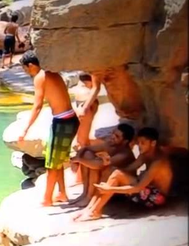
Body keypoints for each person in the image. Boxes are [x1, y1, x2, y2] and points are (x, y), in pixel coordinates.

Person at [72, 127, 173, 222]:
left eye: (143, 143)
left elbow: (138, 187)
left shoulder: (158, 162)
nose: (139, 146)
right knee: (113, 171)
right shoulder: (145, 155)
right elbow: (128, 169)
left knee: (116, 174)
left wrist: (111, 189)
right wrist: (109, 168)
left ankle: (94, 211)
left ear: (153, 143)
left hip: (156, 198)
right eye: (138, 143)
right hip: (146, 190)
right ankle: (90, 208)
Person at [17, 51, 79, 206]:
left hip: (63, 122)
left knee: (52, 164)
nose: (27, 73)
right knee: (55, 159)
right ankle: (62, 193)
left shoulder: (39, 77)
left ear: (31, 65)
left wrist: (25, 129)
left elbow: (37, 106)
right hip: (68, 119)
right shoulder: (52, 73)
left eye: (26, 69)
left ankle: (46, 200)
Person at [69, 123, 136, 207]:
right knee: (87, 154)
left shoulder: (124, 154)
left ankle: (89, 197)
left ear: (125, 141)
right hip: (104, 183)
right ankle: (85, 194)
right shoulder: (111, 144)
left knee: (96, 164)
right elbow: (86, 148)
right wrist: (77, 159)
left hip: (117, 191)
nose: (113, 137)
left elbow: (99, 165)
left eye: (117, 136)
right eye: (113, 133)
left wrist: (78, 160)